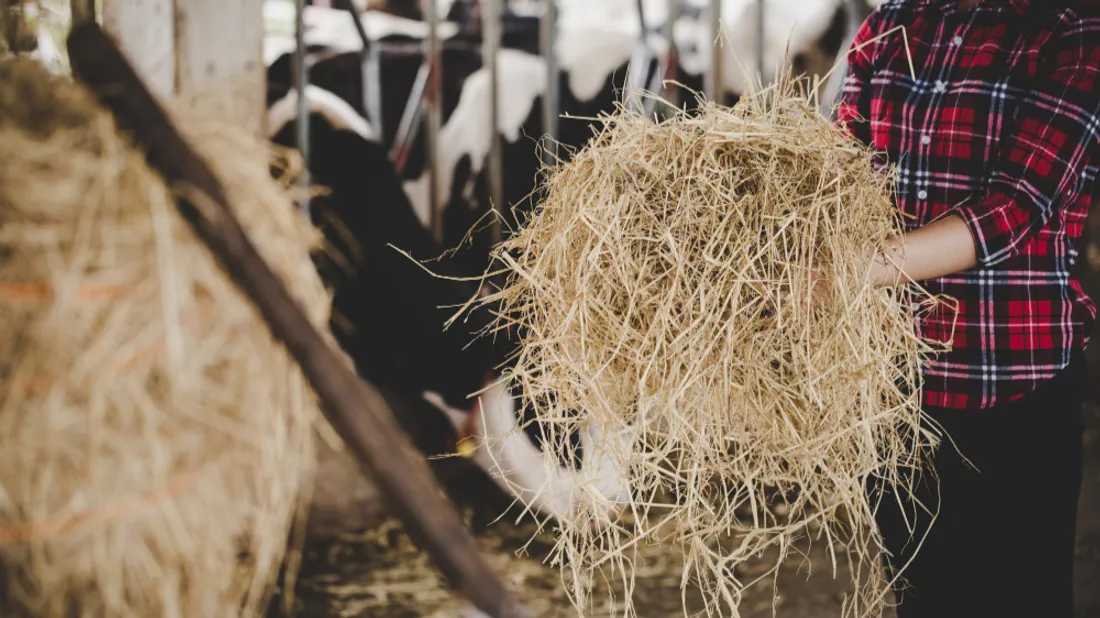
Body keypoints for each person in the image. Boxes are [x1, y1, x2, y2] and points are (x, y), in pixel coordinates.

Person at [836, 0, 1099, 616]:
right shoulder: (892, 24)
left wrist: (853, 271)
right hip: (898, 389)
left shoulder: (1071, 30)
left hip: (1013, 386)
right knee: (923, 596)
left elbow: (1016, 205)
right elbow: (839, 172)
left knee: (1018, 595)